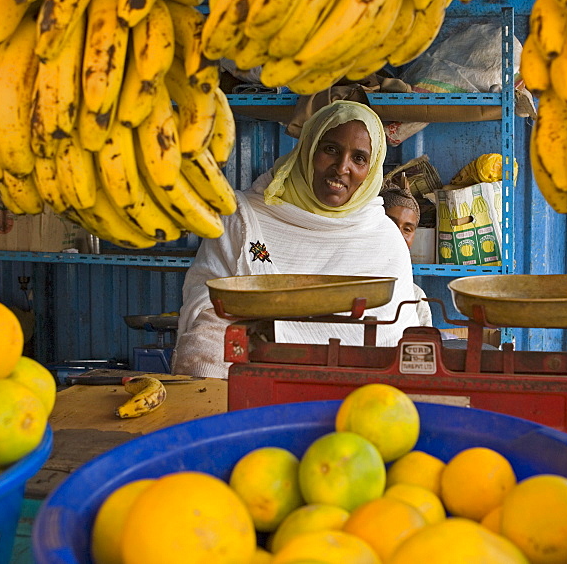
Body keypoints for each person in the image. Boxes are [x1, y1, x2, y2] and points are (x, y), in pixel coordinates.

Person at [173, 100, 421, 378]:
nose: (342, 167)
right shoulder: (243, 218)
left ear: (372, 169)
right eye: (331, 150)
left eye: (359, 158)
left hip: (354, 394)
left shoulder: (384, 238)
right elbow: (208, 304)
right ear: (308, 149)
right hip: (252, 382)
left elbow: (393, 338)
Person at [380, 179, 433, 327]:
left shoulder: (416, 297)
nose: (398, 234)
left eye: (407, 229)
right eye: (390, 223)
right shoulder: (352, 282)